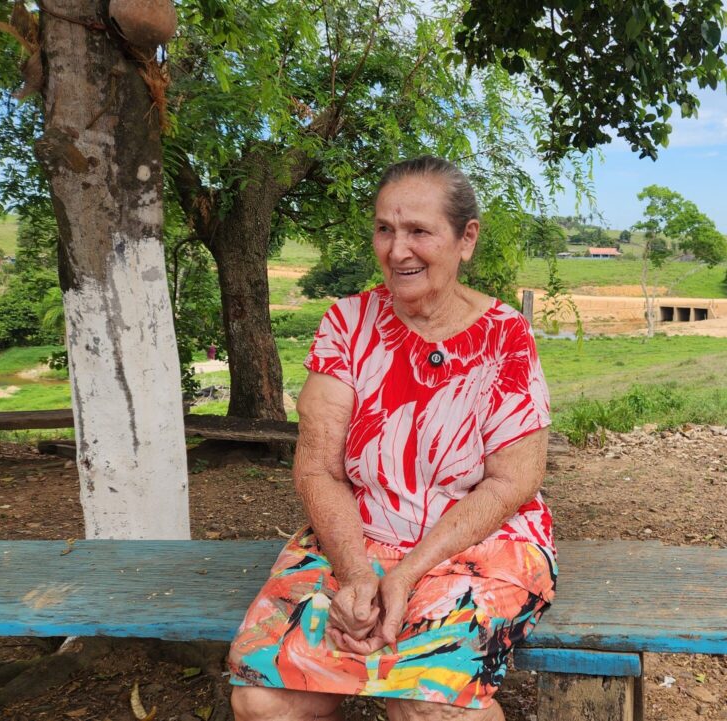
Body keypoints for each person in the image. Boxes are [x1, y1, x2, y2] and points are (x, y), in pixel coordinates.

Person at [227, 156, 556, 721]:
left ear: (465, 238)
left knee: (427, 707)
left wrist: (404, 574)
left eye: (419, 231)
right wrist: (357, 573)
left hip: (476, 543)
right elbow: (318, 469)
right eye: (385, 229)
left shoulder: (505, 334)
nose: (397, 250)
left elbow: (515, 479)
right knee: (263, 701)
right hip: (359, 534)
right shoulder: (347, 325)